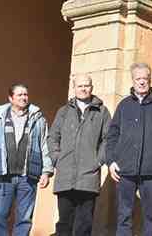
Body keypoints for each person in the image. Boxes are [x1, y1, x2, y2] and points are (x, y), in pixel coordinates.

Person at [0, 83, 53, 236]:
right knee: (0, 218)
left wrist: (46, 172)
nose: (24, 98)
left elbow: (45, 146)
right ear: (11, 98)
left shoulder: (38, 120)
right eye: (20, 95)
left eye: (25, 94)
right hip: (3, 175)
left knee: (24, 219)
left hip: (28, 176)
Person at [105, 63, 152, 236]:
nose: (141, 82)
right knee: (123, 216)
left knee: (151, 216)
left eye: (145, 78)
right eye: (138, 79)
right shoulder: (124, 105)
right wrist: (111, 161)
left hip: (151, 170)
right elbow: (112, 135)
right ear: (132, 81)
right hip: (125, 169)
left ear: (150, 79)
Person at [48, 74, 111, 236]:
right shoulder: (63, 112)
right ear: (74, 88)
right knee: (64, 224)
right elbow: (53, 137)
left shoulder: (102, 112)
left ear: (92, 88)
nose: (83, 89)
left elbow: (108, 139)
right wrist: (57, 158)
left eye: (86, 86)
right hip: (65, 176)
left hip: (88, 177)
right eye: (80, 86)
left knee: (84, 224)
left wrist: (98, 161)